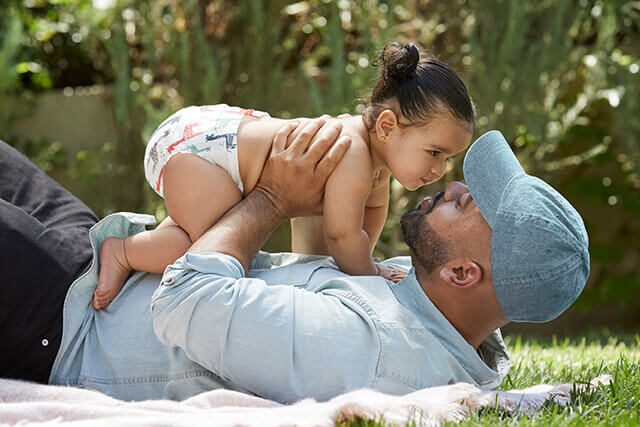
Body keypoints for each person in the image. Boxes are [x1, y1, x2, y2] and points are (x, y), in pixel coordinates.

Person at [0, 124, 589, 405]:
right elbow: (308, 289)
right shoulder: (440, 313)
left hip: (71, 319)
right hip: (95, 255)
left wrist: (275, 198)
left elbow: (184, 302)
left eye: (469, 204)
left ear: (465, 274)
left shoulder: (375, 348)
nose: (454, 188)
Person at [93, 41, 475, 309]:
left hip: (217, 142)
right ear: (388, 126)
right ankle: (123, 251)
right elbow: (342, 235)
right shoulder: (354, 155)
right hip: (201, 152)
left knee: (209, 234)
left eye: (447, 158)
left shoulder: (375, 166)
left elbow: (364, 225)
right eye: (434, 153)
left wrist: (366, 259)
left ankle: (150, 249)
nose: (440, 170)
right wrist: (371, 277)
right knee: (215, 254)